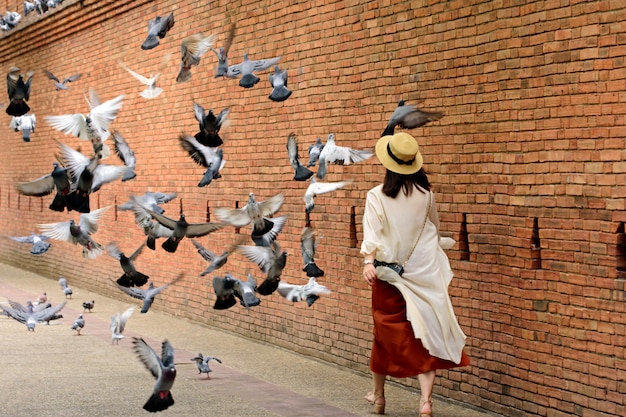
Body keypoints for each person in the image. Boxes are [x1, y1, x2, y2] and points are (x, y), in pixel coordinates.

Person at [360, 132, 470, 416]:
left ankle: (379, 397)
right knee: (426, 336)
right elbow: (433, 230)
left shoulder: (377, 195)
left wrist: (368, 262)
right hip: (424, 276)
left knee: (384, 336)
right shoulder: (427, 195)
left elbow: (372, 233)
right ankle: (425, 402)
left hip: (387, 276)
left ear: (388, 163)